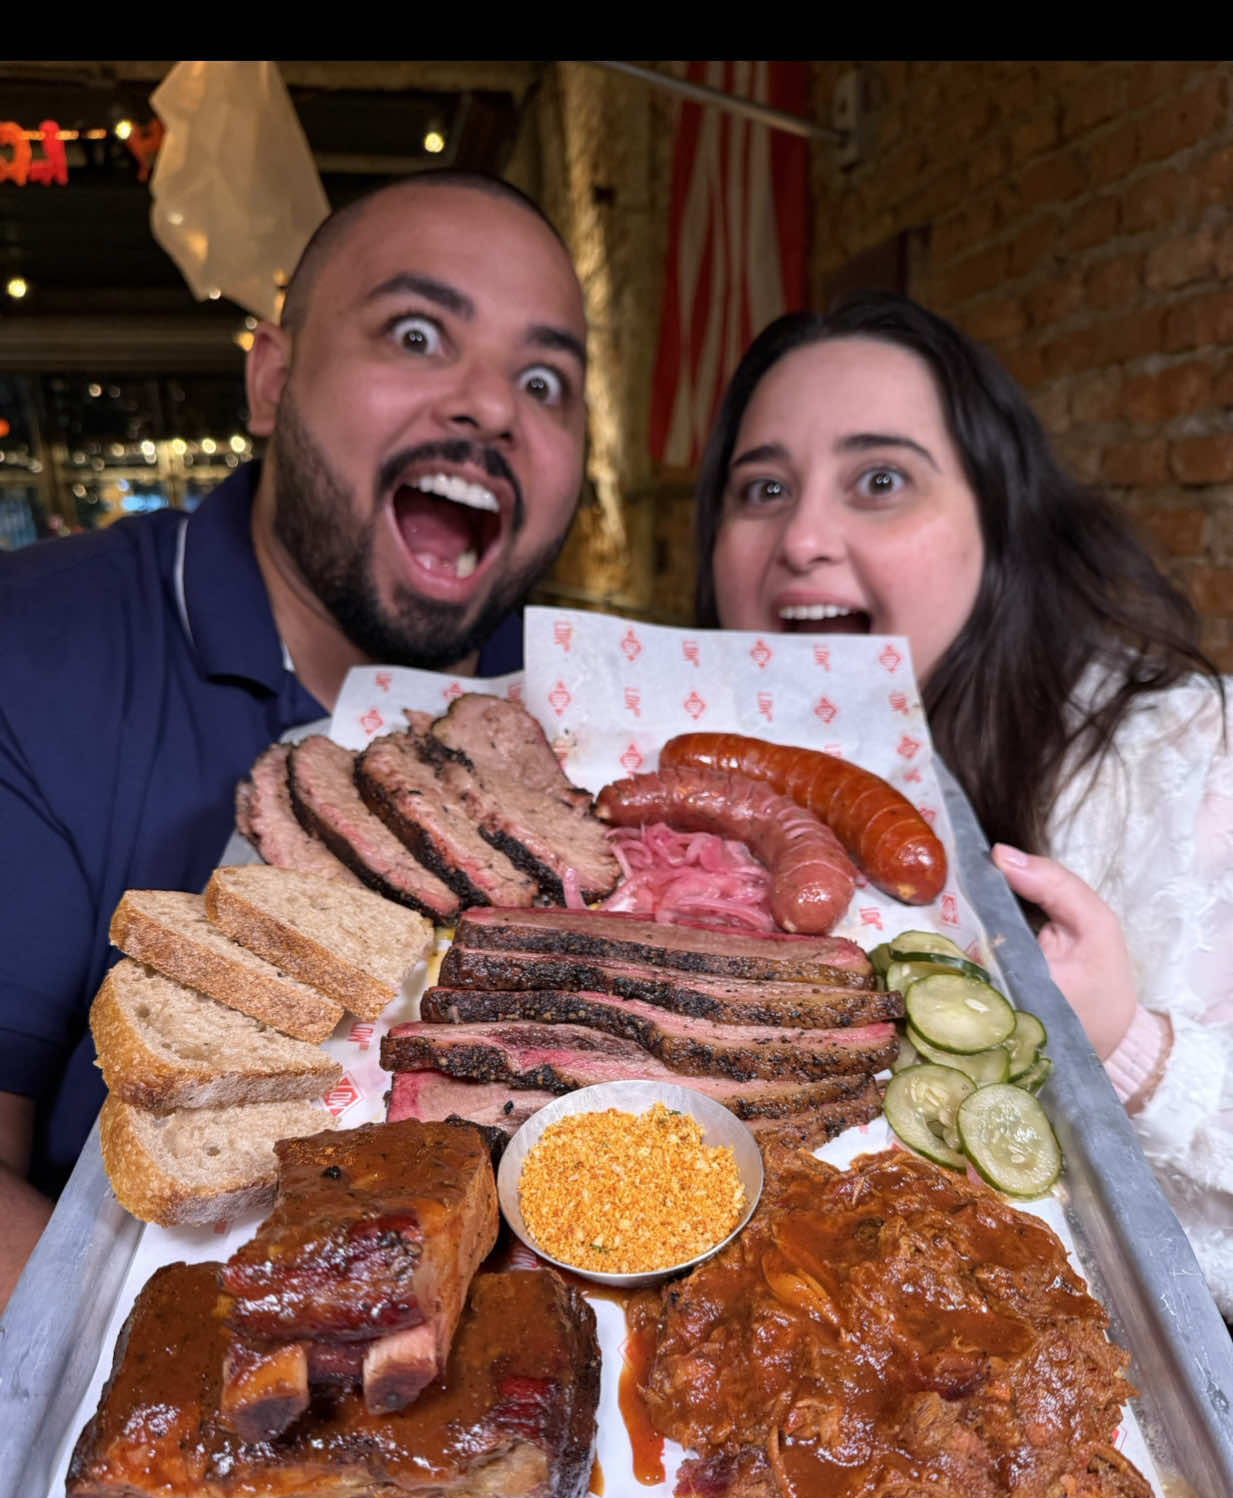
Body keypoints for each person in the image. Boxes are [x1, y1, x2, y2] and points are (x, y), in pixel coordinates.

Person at [0, 171, 589, 1308]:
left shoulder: (577, 707)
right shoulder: (32, 648)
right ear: (270, 379)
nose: (491, 406)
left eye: (542, 381)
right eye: (417, 334)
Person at [695, 291, 1233, 1317]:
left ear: (998, 516)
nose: (802, 537)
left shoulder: (1199, 755)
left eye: (880, 480)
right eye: (762, 488)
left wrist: (1125, 1042)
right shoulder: (678, 783)